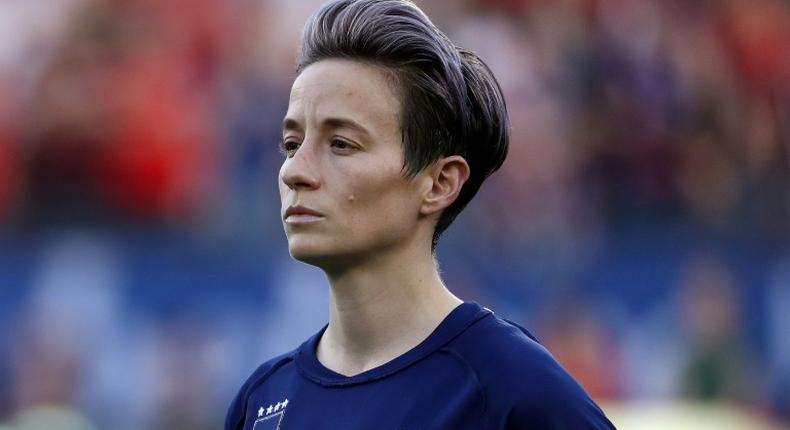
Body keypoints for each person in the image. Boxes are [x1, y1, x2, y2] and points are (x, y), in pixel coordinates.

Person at [225, 0, 616, 428]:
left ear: (439, 183)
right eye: (292, 144)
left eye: (341, 144)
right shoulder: (262, 401)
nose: (294, 171)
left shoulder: (509, 388)